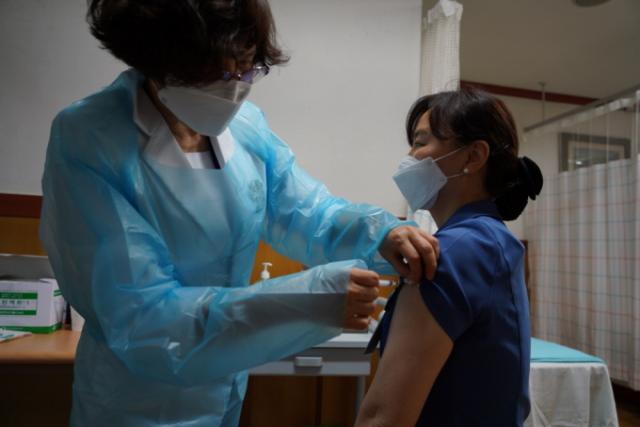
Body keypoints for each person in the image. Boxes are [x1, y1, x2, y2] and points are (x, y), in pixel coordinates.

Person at [39, 1, 439, 426]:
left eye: (246, 68)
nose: (235, 88)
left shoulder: (245, 128)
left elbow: (308, 213)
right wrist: (308, 300)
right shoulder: (90, 139)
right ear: (159, 60)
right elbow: (144, 320)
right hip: (132, 403)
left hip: (225, 392)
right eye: (216, 71)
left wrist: (381, 235)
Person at [356, 88, 543, 427]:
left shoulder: (455, 250)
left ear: (473, 157)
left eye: (420, 142)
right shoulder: (490, 239)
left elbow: (383, 417)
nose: (409, 157)